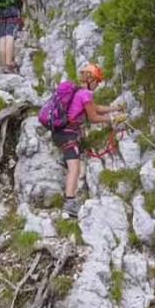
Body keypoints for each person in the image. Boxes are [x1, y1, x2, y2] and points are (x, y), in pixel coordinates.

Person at [52, 63, 126, 217]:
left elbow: (95, 107)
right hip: (68, 134)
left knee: (74, 166)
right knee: (75, 168)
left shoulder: (78, 91)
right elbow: (93, 117)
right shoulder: (85, 94)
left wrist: (114, 108)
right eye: (97, 81)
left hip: (60, 132)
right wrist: (113, 119)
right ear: (90, 79)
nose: (98, 85)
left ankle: (69, 202)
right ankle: (69, 203)